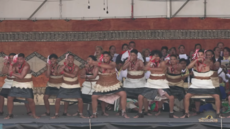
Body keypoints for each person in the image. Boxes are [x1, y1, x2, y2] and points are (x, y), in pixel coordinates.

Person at [181, 50, 223, 118]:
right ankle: (186, 113)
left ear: (204, 55)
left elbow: (212, 66)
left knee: (217, 96)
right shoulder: (194, 62)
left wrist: (203, 61)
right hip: (196, 84)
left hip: (207, 84)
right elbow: (188, 68)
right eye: (198, 55)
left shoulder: (208, 61)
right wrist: (195, 60)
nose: (200, 56)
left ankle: (218, 113)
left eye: (201, 55)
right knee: (187, 96)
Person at [89, 51, 129, 118]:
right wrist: (93, 68)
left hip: (113, 85)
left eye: (107, 56)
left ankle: (123, 112)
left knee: (123, 94)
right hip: (102, 85)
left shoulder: (113, 63)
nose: (105, 57)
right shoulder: (99, 64)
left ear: (110, 57)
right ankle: (94, 114)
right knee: (94, 97)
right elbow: (94, 75)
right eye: (104, 56)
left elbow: (110, 67)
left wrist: (96, 63)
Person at [141, 50, 178, 118]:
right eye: (154, 56)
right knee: (144, 96)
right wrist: (151, 61)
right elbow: (144, 69)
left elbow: (161, 70)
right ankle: (146, 111)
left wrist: (151, 68)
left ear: (160, 57)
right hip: (151, 83)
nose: (156, 57)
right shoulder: (151, 63)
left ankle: (171, 113)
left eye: (157, 56)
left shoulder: (163, 62)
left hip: (162, 83)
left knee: (171, 97)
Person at [5, 53, 39, 119]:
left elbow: (21, 77)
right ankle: (10, 114)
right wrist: (11, 64)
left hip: (26, 85)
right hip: (16, 84)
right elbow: (9, 73)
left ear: (24, 59)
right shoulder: (15, 65)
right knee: (10, 98)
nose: (19, 60)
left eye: (21, 59)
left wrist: (13, 74)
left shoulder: (26, 66)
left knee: (30, 100)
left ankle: (34, 114)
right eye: (18, 59)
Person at [51, 54, 85, 119]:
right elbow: (58, 72)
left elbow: (73, 76)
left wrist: (63, 72)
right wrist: (64, 65)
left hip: (75, 86)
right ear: (66, 59)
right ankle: (56, 114)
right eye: (69, 58)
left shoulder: (76, 67)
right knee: (58, 99)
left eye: (72, 58)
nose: (70, 60)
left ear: (74, 59)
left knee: (80, 99)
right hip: (65, 86)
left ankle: (81, 114)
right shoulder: (63, 66)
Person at [122, 49, 147, 118]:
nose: (132, 56)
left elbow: (143, 68)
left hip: (140, 82)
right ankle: (122, 111)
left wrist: (137, 67)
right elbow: (123, 68)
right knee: (123, 94)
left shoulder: (140, 61)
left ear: (137, 56)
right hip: (129, 83)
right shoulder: (127, 61)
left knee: (141, 96)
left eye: (134, 55)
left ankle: (141, 112)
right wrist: (129, 61)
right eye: (131, 55)